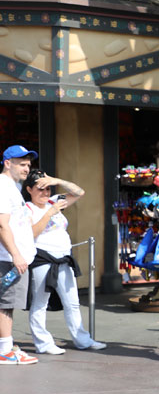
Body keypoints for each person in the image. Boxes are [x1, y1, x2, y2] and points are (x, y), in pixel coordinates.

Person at [23, 170, 105, 354]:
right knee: (40, 303)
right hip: (42, 258)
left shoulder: (54, 200)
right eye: (40, 189)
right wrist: (49, 213)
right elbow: (31, 234)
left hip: (64, 258)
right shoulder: (27, 208)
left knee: (72, 302)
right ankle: (43, 344)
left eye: (48, 189)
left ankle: (82, 340)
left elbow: (79, 192)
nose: (45, 193)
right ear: (29, 189)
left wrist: (56, 180)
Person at [0, 145, 40, 365]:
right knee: (5, 304)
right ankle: (5, 351)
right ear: (8, 163)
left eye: (28, 164)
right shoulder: (3, 187)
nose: (27, 168)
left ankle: (6, 345)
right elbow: (2, 225)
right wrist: (16, 255)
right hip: (7, 259)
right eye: (22, 164)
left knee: (7, 303)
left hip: (14, 257)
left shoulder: (12, 187)